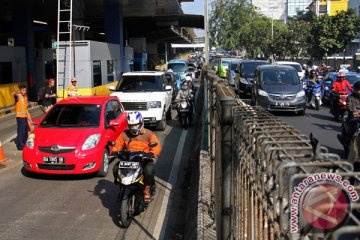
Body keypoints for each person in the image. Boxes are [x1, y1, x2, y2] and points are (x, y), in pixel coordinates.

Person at [112, 112, 161, 203]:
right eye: (131, 126)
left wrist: (151, 153)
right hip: (128, 158)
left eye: (136, 125)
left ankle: (146, 191)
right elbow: (117, 145)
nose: (133, 128)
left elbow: (156, 146)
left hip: (144, 159)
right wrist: (115, 151)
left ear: (141, 123)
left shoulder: (149, 134)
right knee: (116, 169)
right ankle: (121, 188)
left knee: (148, 171)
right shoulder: (124, 134)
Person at [338, 81, 360, 146]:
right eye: (358, 89)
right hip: (354, 118)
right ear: (355, 90)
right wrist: (353, 112)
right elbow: (348, 106)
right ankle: (353, 141)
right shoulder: (350, 97)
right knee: (357, 125)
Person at [12, 85, 32, 150]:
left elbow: (26, 108)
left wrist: (28, 116)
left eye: (25, 90)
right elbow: (15, 96)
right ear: (20, 90)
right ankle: (20, 146)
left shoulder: (25, 97)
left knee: (25, 131)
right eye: (23, 90)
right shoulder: (18, 96)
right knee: (21, 131)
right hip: (20, 117)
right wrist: (14, 95)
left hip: (25, 117)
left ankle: (24, 143)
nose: (24, 91)